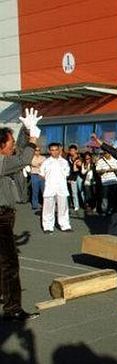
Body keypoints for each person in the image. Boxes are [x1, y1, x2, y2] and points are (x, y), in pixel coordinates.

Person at [0, 108, 42, 321]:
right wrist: (33, 136)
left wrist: (26, 133)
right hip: (1, 217)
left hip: (5, 214)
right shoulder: (1, 162)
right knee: (10, 264)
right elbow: (25, 158)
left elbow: (20, 154)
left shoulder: (5, 161)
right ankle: (12, 308)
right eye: (10, 143)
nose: (13, 146)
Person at [41, 142, 72, 233]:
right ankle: (48, 227)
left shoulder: (64, 162)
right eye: (52, 150)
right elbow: (41, 174)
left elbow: (67, 174)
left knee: (63, 208)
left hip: (61, 188)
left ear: (59, 150)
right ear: (49, 151)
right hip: (49, 188)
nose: (54, 152)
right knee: (48, 209)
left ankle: (65, 225)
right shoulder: (46, 162)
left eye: (56, 150)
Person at [94, 149, 117, 215]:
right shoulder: (100, 161)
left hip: (114, 181)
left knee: (112, 196)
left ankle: (111, 209)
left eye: (106, 153)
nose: (105, 154)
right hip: (104, 181)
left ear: (110, 153)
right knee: (104, 197)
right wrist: (103, 171)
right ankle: (104, 210)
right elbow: (97, 170)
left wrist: (111, 170)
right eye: (104, 153)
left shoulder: (115, 160)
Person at [66, 144, 82, 211]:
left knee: (81, 191)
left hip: (79, 176)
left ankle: (85, 204)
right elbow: (67, 169)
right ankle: (76, 205)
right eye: (71, 151)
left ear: (76, 151)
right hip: (72, 177)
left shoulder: (80, 157)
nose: (72, 152)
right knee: (74, 192)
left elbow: (83, 166)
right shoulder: (67, 159)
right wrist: (68, 178)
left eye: (73, 150)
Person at [30, 146, 45, 210]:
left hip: (42, 176)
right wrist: (38, 164)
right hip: (34, 175)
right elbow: (33, 164)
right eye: (36, 150)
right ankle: (34, 205)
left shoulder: (43, 157)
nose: (37, 151)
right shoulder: (31, 157)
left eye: (38, 150)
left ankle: (45, 204)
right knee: (35, 191)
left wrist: (38, 164)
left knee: (44, 191)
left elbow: (44, 165)